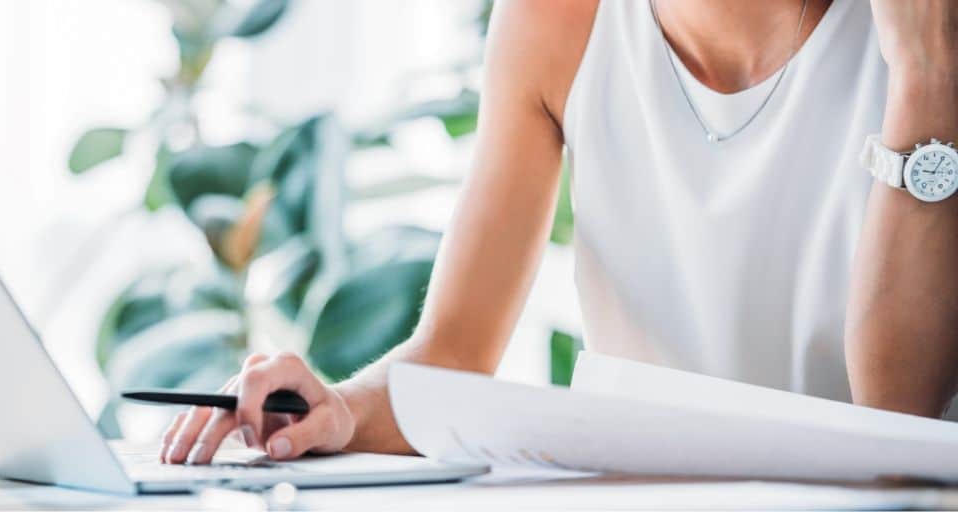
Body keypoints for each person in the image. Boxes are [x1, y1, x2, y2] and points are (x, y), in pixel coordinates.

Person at [160, 0, 958, 465]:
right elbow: (453, 354)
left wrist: (926, 77)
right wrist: (339, 408)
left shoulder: (923, 35)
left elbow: (899, 429)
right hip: (637, 493)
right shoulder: (557, 19)